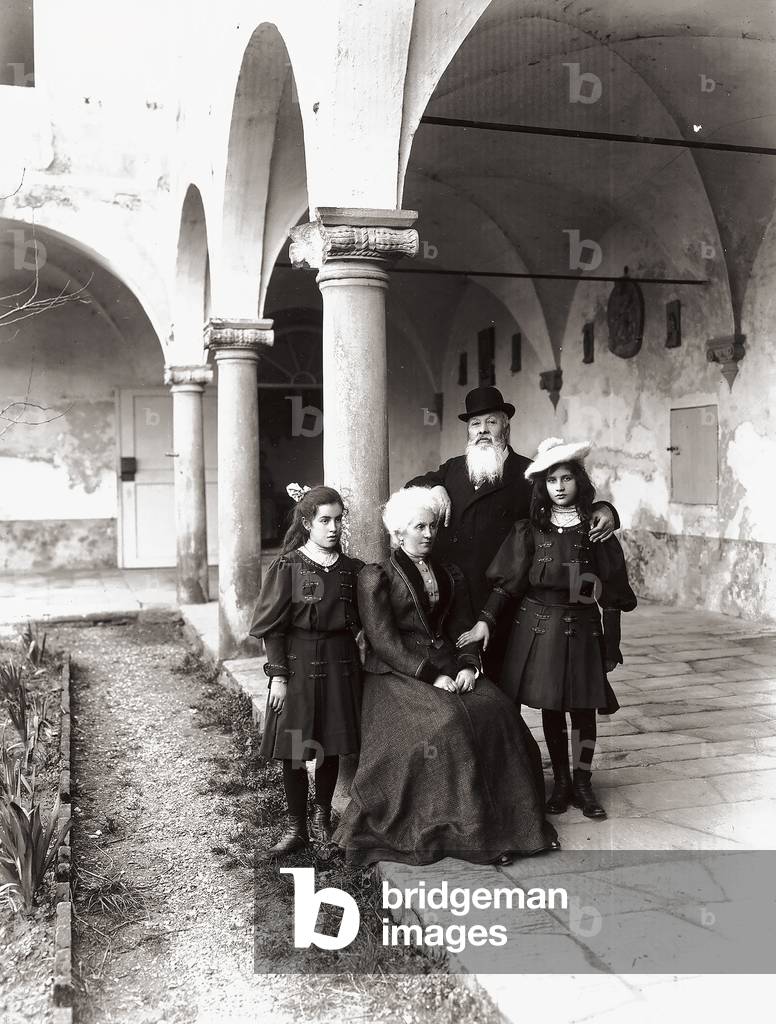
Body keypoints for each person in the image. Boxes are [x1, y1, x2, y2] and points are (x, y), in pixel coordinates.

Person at [334, 486, 559, 867]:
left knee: (499, 709)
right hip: (397, 673)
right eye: (419, 527)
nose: (429, 534)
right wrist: (431, 676)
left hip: (447, 662)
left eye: (433, 526)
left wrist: (468, 664)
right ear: (398, 533)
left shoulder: (449, 572)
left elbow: (461, 627)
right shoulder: (377, 577)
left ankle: (512, 823)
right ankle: (469, 831)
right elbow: (385, 643)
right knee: (448, 722)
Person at [458, 438, 637, 820]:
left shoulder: (595, 529)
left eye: (566, 478)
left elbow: (612, 593)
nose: (559, 486)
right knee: (552, 709)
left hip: (584, 627)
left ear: (579, 481)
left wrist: (611, 646)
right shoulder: (530, 530)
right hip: (541, 628)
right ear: (542, 485)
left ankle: (584, 784)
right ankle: (561, 783)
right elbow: (506, 585)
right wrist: (485, 620)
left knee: (583, 711)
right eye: (552, 480)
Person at [406, 385, 619, 678]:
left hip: (502, 596)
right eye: (475, 424)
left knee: (502, 679)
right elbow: (413, 485)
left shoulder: (528, 474)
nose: (482, 430)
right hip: (454, 595)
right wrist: (435, 487)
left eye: (491, 422)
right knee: (456, 677)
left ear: (505, 427)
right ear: (468, 431)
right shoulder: (453, 469)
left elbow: (569, 504)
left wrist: (606, 509)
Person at [249, 484, 364, 856]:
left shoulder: (351, 570)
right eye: (325, 520)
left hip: (341, 665)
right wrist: (278, 676)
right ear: (307, 523)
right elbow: (272, 627)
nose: (333, 528)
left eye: (338, 520)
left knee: (331, 745)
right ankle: (296, 827)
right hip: (297, 666)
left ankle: (321, 818)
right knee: (296, 748)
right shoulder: (290, 566)